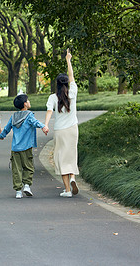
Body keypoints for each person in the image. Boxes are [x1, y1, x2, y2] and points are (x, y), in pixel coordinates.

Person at [0, 94, 49, 199]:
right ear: (25, 104)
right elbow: (35, 122)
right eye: (28, 101)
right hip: (26, 147)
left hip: (15, 148)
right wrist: (43, 126)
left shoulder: (14, 117)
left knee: (16, 169)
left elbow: (7, 128)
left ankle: (18, 191)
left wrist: (2, 135)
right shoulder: (29, 115)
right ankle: (26, 185)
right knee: (28, 167)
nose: (29, 102)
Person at [44, 49, 80, 198]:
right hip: (73, 130)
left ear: (57, 84)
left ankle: (67, 190)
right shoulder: (73, 93)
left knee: (61, 158)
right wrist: (68, 60)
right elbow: (71, 76)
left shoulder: (53, 97)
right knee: (71, 156)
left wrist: (46, 125)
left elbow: (49, 112)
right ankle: (73, 177)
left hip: (60, 131)